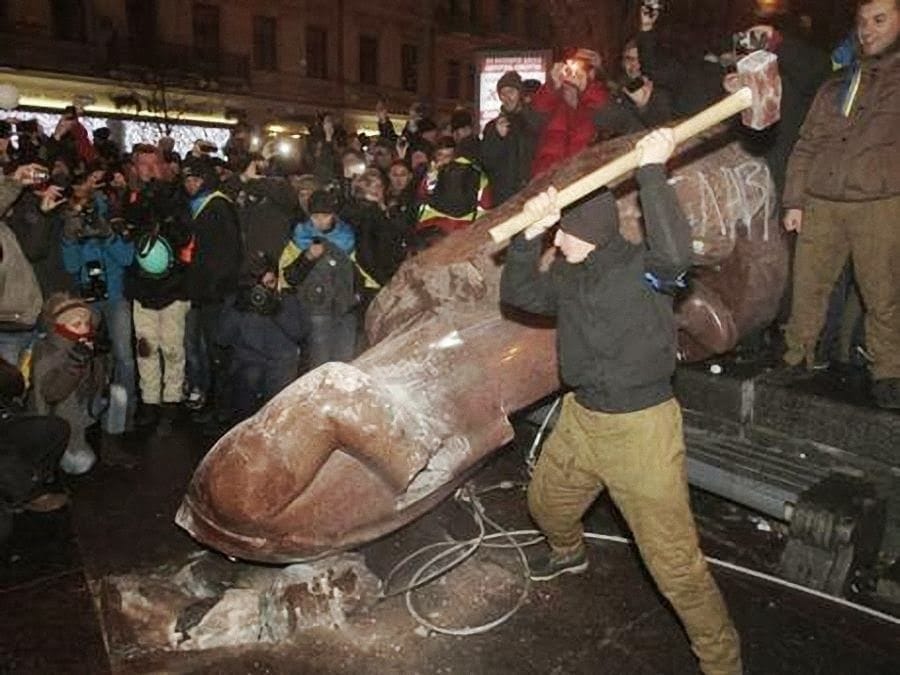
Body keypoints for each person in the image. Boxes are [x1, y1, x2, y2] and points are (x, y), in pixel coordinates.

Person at [500, 128, 741, 675]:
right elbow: (520, 294)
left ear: (586, 232)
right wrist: (527, 236)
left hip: (641, 431)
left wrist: (653, 170)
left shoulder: (645, 271)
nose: (557, 240)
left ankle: (722, 661)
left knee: (674, 566)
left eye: (562, 231)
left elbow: (676, 253)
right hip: (583, 418)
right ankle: (568, 553)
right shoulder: (570, 273)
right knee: (547, 505)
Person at [780, 0, 900, 409]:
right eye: (863, 21)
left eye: (880, 20)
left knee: (883, 291)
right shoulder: (836, 84)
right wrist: (794, 200)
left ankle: (889, 370)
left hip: (879, 203)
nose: (868, 29)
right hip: (822, 201)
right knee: (808, 287)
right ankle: (797, 355)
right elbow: (806, 143)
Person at [218, 252, 311, 421]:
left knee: (278, 414)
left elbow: (300, 333)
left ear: (277, 280)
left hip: (281, 365)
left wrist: (277, 310)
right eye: (259, 285)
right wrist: (238, 308)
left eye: (270, 283)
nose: (263, 290)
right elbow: (222, 339)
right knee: (246, 399)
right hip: (249, 364)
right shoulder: (239, 302)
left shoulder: (287, 299)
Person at [280, 190, 359, 369]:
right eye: (316, 216)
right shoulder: (299, 237)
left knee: (344, 362)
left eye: (325, 216)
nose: (320, 221)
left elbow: (357, 273)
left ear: (333, 215)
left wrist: (356, 296)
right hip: (315, 309)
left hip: (344, 308)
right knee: (319, 363)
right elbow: (289, 276)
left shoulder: (347, 237)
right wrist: (307, 257)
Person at [481, 70, 540, 206]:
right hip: (505, 199)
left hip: (533, 195)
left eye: (511, 92)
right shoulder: (493, 127)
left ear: (520, 93)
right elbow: (487, 163)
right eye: (503, 93)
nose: (507, 97)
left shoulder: (534, 121)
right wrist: (497, 137)